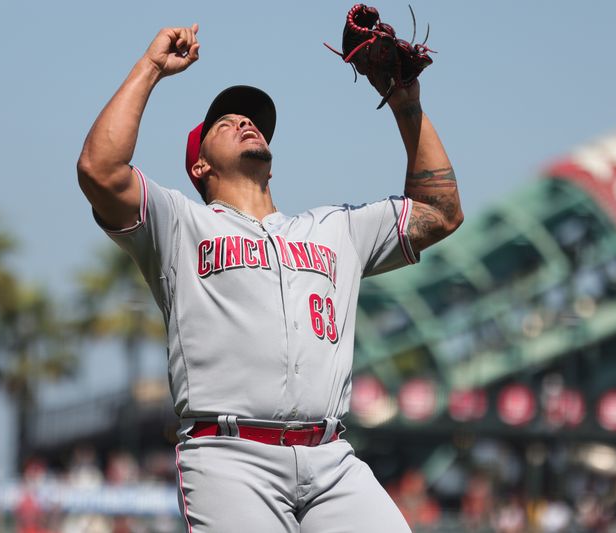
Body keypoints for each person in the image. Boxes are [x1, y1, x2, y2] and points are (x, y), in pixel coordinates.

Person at [77, 23, 463, 533]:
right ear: (198, 166)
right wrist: (151, 68)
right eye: (226, 123)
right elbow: (100, 170)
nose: (244, 123)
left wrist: (405, 103)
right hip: (229, 458)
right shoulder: (179, 225)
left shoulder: (334, 229)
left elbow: (441, 212)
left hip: (332, 459)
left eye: (252, 121)